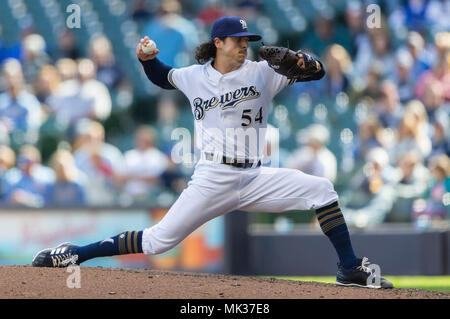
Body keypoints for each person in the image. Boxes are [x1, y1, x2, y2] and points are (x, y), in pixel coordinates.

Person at [31, 16, 393, 289]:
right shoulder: (194, 76)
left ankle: (349, 268)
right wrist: (146, 59)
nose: (244, 45)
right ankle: (77, 252)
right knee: (158, 241)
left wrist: (303, 61)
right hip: (213, 177)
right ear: (218, 42)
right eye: (237, 40)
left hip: (255, 176)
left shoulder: (263, 71)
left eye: (247, 40)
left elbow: (318, 72)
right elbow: (163, 76)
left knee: (322, 190)